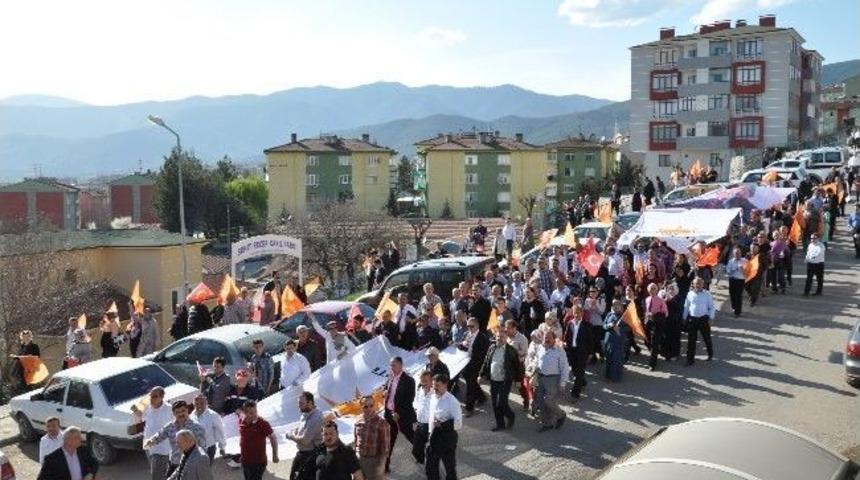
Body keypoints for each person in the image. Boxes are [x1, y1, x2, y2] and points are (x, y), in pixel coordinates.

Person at [144, 400, 208, 477]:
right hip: (175, 464)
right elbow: (160, 435)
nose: (181, 414)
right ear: (174, 414)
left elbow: (203, 447)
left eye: (183, 411)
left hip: (191, 464)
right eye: (177, 412)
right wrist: (151, 441)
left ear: (187, 410)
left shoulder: (197, 427)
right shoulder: (170, 427)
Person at [480, 328, 522, 431]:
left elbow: (518, 366)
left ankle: (511, 416)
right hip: (494, 380)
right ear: (495, 337)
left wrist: (518, 380)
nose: (500, 339)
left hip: (505, 380)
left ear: (506, 338)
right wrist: (481, 375)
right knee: (495, 404)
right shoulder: (491, 348)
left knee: (501, 403)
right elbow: (486, 362)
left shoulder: (511, 350)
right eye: (498, 336)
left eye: (502, 337)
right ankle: (500, 424)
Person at [425, 374, 462, 480]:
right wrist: (430, 431)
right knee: (430, 465)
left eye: (437, 385)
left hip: (447, 438)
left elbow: (458, 423)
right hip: (434, 436)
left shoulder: (452, 401)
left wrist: (442, 424)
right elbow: (431, 415)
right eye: (433, 385)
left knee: (449, 467)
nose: (434, 388)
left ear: (445, 385)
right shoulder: (432, 397)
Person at [134, 386, 173, 480]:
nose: (151, 398)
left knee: (157, 474)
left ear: (162, 397)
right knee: (155, 470)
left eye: (155, 396)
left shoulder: (169, 409)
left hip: (162, 448)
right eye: (151, 396)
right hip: (148, 445)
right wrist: (135, 410)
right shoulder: (148, 408)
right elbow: (142, 416)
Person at [384, 356, 415, 473]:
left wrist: (398, 413)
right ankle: (385, 465)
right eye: (391, 365)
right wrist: (385, 391)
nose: (391, 368)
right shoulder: (390, 377)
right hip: (389, 415)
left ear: (401, 366)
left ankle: (423, 453)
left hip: (401, 416)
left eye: (394, 365)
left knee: (411, 436)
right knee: (389, 441)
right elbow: (387, 389)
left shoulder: (409, 380)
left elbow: (409, 400)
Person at [286, 392, 324, 480]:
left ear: (310, 403)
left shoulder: (316, 418)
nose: (298, 405)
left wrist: (291, 436)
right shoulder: (306, 413)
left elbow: (305, 440)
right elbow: (300, 429)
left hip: (311, 456)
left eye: (301, 403)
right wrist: (294, 432)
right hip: (302, 454)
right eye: (298, 403)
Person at [535, 330, 568, 432]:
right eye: (545, 337)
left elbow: (565, 367)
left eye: (549, 337)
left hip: (553, 379)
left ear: (554, 339)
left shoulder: (559, 350)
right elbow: (537, 361)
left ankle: (561, 415)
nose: (547, 339)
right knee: (540, 401)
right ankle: (547, 424)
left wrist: (563, 383)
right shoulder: (540, 347)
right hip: (540, 378)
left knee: (549, 401)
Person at [238, 400, 279, 480]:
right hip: (245, 461)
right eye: (251, 413)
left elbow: (273, 438)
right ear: (245, 413)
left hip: (258, 462)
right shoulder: (242, 421)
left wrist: (275, 455)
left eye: (255, 411)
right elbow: (240, 414)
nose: (255, 415)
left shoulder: (263, 423)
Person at [457, 317, 489, 416]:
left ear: (477, 326)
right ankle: (481, 397)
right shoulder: (466, 334)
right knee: (472, 382)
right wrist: (461, 345)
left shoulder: (482, 337)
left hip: (476, 364)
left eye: (472, 326)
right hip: (465, 364)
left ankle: (469, 408)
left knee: (470, 386)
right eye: (468, 326)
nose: (470, 328)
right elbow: (461, 346)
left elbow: (484, 354)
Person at [354, 396, 390, 480]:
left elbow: (385, 447)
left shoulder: (382, 423)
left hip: (373, 461)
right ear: (361, 407)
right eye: (365, 406)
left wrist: (382, 465)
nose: (369, 408)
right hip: (359, 459)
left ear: (374, 405)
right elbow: (356, 439)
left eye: (371, 405)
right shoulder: (358, 420)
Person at [684, 277, 715, 365]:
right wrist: (684, 317)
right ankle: (690, 359)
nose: (698, 285)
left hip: (703, 319)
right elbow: (686, 306)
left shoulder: (707, 294)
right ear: (693, 284)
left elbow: (712, 307)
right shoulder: (690, 294)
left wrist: (711, 318)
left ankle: (710, 354)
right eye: (696, 283)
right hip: (693, 319)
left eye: (700, 283)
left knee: (706, 338)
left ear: (703, 284)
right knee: (691, 340)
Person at [562, 305, 591, 399]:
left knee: (579, 372)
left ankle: (575, 394)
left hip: (582, 352)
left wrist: (590, 353)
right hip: (572, 351)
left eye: (579, 312)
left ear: (582, 313)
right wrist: (565, 343)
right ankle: (583, 381)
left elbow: (591, 340)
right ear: (572, 313)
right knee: (575, 370)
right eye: (575, 312)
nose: (577, 314)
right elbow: (566, 336)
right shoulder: (570, 323)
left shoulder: (587, 325)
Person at [190, 394, 225, 464]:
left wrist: (222, 446)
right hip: (195, 449)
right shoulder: (191, 416)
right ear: (194, 404)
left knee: (205, 470)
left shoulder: (213, 415)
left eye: (202, 403)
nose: (199, 405)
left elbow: (220, 431)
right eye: (197, 404)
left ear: (206, 403)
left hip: (209, 448)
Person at [644, 283, 668, 371]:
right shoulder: (647, 299)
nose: (652, 290)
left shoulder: (660, 300)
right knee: (646, 340)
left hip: (657, 323)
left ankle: (652, 364)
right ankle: (660, 351)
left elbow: (665, 313)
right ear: (648, 290)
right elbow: (646, 311)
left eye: (654, 288)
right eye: (651, 289)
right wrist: (646, 319)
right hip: (648, 323)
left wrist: (655, 316)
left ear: (657, 290)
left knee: (654, 343)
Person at [411, 371, 434, 464]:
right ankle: (420, 459)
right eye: (422, 380)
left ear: (431, 381)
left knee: (431, 450)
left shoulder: (435, 393)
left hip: (430, 425)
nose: (423, 383)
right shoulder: (419, 389)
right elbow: (415, 402)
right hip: (420, 423)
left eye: (425, 380)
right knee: (416, 449)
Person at [603, 300, 626, 382]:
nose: (616, 306)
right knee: (608, 358)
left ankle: (614, 377)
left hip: (618, 341)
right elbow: (604, 326)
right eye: (614, 305)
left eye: (618, 305)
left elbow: (628, 328)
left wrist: (619, 330)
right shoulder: (609, 314)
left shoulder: (624, 316)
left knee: (616, 359)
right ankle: (607, 375)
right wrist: (608, 325)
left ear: (621, 307)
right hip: (608, 340)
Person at [725, 247, 748, 317]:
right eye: (736, 253)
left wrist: (742, 270)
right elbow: (728, 272)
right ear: (733, 254)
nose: (738, 255)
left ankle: (737, 311)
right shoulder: (730, 261)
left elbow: (747, 272)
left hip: (741, 280)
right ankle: (734, 307)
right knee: (732, 294)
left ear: (741, 253)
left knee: (738, 296)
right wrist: (735, 269)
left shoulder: (745, 261)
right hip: (732, 280)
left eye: (739, 253)